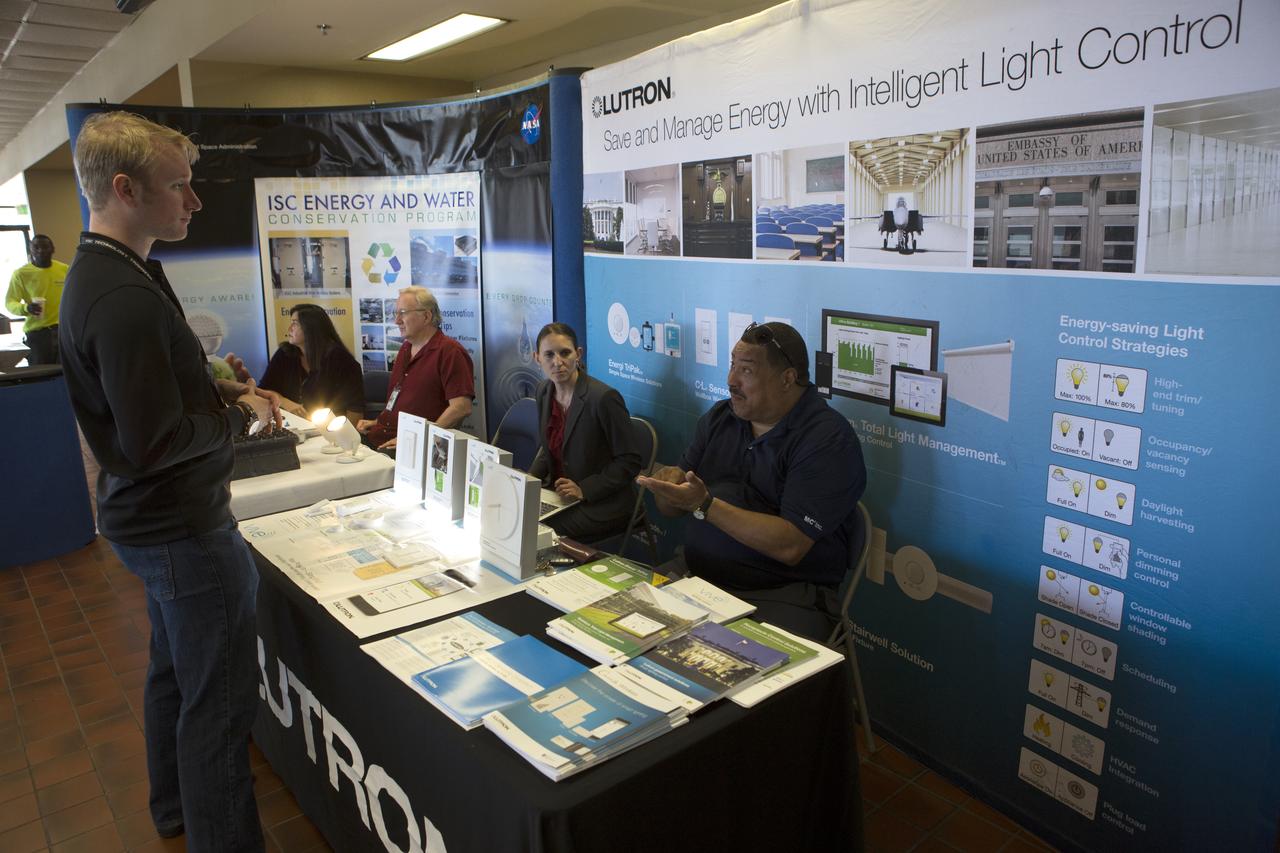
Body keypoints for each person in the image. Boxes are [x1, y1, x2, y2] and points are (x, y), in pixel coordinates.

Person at [59, 111, 277, 852]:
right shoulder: (118, 297)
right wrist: (240, 424)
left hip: (152, 524)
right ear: (124, 189)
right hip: (182, 528)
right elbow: (154, 441)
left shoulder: (125, 270)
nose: (195, 202)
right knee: (218, 713)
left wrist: (222, 392)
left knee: (173, 675)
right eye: (179, 186)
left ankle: (174, 810)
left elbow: (163, 393)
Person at [637, 321, 866, 640]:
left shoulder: (826, 439)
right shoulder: (720, 419)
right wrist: (668, 489)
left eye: (746, 370)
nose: (731, 380)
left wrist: (704, 505)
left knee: (722, 677)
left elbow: (791, 544)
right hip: (698, 576)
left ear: (787, 379)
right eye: (732, 365)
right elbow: (672, 509)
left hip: (780, 595)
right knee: (618, 630)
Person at [529, 322, 642, 541]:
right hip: (559, 496)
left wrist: (585, 489)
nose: (558, 362)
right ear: (537, 358)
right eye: (549, 355)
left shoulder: (603, 398)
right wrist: (529, 479)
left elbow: (630, 461)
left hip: (603, 502)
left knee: (536, 528)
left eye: (565, 353)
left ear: (578, 354)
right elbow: (550, 444)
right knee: (513, 512)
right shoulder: (543, 391)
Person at [357, 285, 474, 450]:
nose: (396, 321)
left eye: (402, 313)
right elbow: (402, 402)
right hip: (382, 436)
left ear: (426, 316)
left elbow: (461, 407)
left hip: (412, 448)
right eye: (395, 314)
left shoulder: (450, 352)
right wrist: (376, 422)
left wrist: (420, 439)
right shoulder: (406, 348)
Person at [224, 303, 364, 422]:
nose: (290, 328)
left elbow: (355, 411)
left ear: (311, 328)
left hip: (330, 432)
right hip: (291, 425)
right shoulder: (285, 353)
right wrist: (286, 402)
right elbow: (265, 390)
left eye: (295, 323)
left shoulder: (342, 361)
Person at [5, 233, 67, 364]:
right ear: (30, 249)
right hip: (38, 335)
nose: (41, 250)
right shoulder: (21, 274)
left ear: (53, 249)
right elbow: (10, 303)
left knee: (66, 373)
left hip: (64, 331)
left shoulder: (64, 269)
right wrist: (26, 308)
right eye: (36, 247)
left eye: (45, 247)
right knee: (41, 375)